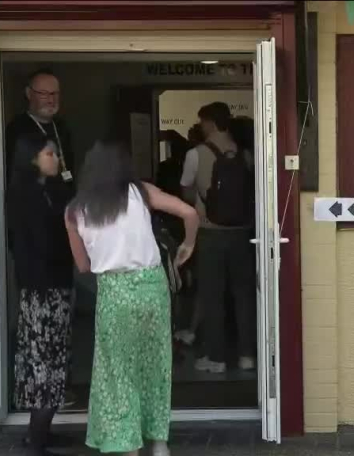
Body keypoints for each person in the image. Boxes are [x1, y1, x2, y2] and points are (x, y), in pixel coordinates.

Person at [64, 140, 199, 456]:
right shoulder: (141, 192)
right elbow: (190, 212)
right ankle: (159, 444)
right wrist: (188, 245)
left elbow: (82, 265)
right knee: (155, 365)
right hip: (153, 287)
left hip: (115, 292)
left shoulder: (74, 211)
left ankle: (128, 447)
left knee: (118, 371)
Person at [8, 136, 74, 456]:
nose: (56, 158)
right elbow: (41, 244)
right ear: (32, 158)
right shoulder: (27, 196)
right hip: (42, 291)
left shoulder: (49, 191)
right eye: (49, 153)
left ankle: (41, 434)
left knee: (50, 360)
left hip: (52, 287)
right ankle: (36, 440)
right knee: (44, 364)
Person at [180, 102, 256, 374]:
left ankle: (216, 356)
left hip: (211, 232)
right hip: (243, 233)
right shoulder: (246, 154)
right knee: (244, 295)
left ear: (210, 123)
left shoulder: (195, 154)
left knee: (213, 295)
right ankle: (247, 355)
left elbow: (186, 193)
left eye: (202, 122)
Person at [5, 69, 73, 187]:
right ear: (29, 94)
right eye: (43, 93)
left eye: (54, 93)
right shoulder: (17, 129)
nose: (51, 100)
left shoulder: (62, 127)